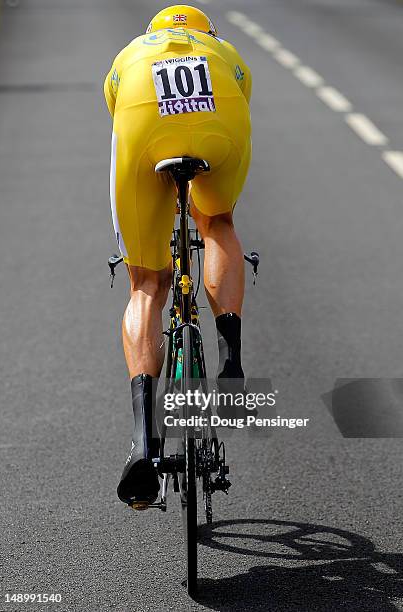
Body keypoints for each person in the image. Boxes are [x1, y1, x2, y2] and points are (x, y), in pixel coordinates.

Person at [103, 5, 252, 507]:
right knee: (217, 224)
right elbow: (243, 98)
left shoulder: (130, 54)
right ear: (208, 34)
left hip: (144, 123)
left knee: (146, 281)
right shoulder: (224, 52)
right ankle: (230, 351)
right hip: (220, 122)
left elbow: (115, 108)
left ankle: (144, 439)